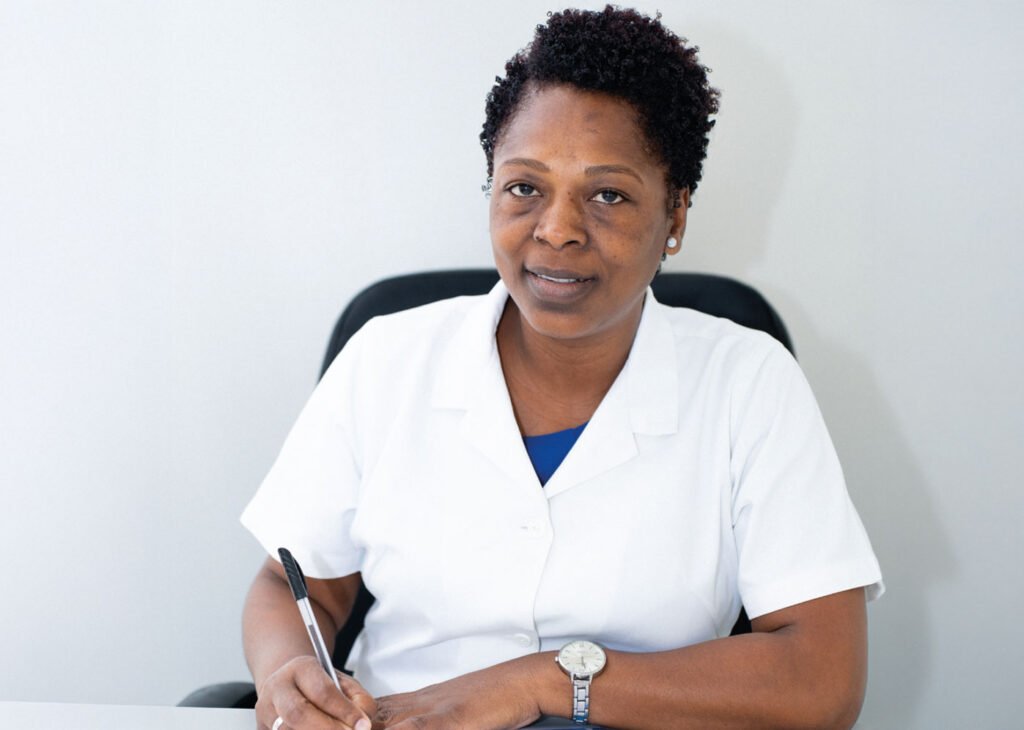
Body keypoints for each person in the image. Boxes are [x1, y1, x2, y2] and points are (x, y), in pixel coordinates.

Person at [240, 6, 883, 729]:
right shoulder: (386, 359)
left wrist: (543, 681)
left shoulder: (748, 382)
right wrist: (288, 676)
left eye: (608, 195)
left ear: (675, 216)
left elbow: (822, 680)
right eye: (524, 187)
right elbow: (290, 586)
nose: (557, 230)